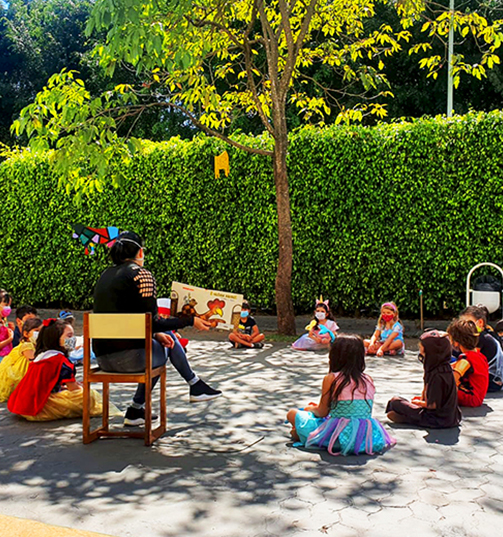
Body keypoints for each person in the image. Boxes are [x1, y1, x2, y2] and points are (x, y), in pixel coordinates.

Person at [93, 231, 221, 427]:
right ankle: (194, 385)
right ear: (140, 252)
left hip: (103, 358)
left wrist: (155, 333)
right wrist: (189, 320)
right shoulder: (140, 275)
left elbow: (131, 320)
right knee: (167, 339)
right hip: (132, 358)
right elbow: (153, 321)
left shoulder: (105, 276)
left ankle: (136, 410)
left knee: (162, 337)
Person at [286, 334, 396, 455]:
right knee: (304, 425)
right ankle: (300, 434)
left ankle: (302, 434)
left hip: (337, 436)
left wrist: (310, 409)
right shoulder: (368, 379)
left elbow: (322, 412)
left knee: (292, 414)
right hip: (364, 437)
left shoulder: (331, 378)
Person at [8, 319, 105, 421]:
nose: (73, 339)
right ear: (55, 338)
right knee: (87, 395)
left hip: (23, 404)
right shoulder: (60, 360)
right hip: (40, 407)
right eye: (69, 336)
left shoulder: (42, 356)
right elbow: (73, 388)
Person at [386, 330, 462, 428]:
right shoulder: (444, 368)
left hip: (437, 418)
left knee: (395, 402)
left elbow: (433, 405)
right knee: (398, 406)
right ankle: (408, 417)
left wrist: (419, 403)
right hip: (450, 417)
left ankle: (409, 418)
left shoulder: (437, 375)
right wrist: (422, 399)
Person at [459, 305, 503, 392]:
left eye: (469, 323)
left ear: (480, 323)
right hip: (493, 380)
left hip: (491, 382)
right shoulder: (486, 334)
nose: (464, 326)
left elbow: (471, 360)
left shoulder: (481, 338)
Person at [447, 318, 489, 407]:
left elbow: (453, 379)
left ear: (456, 342)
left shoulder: (466, 359)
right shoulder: (479, 356)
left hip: (470, 398)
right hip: (477, 397)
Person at [0, 317, 42, 402]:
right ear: (26, 334)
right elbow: (33, 363)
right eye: (36, 331)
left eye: (42, 332)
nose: (40, 334)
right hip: (18, 376)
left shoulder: (33, 345)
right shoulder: (27, 345)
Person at [0, 290, 13, 360]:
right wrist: (10, 339)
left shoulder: (4, 320)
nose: (8, 308)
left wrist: (10, 330)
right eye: (6, 305)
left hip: (7, 356)